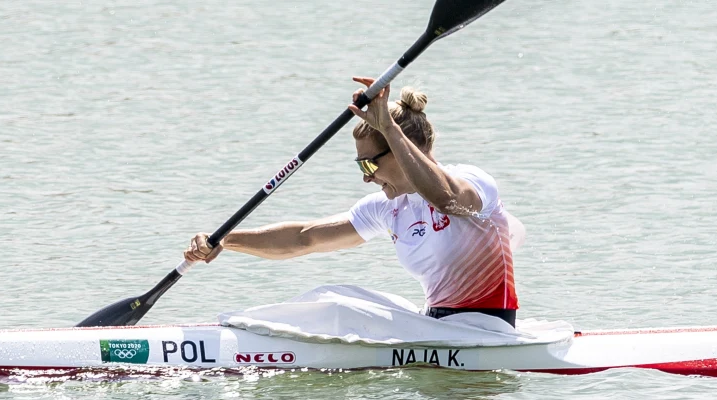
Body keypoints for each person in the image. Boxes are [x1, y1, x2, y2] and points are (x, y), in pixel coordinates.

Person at [184, 77, 520, 325]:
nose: (366, 176)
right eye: (361, 165)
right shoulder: (390, 208)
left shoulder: (475, 182)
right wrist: (225, 241)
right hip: (440, 326)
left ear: (404, 147)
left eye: (370, 163)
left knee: (339, 310)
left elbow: (448, 201)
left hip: (489, 328)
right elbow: (305, 238)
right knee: (329, 297)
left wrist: (388, 127)